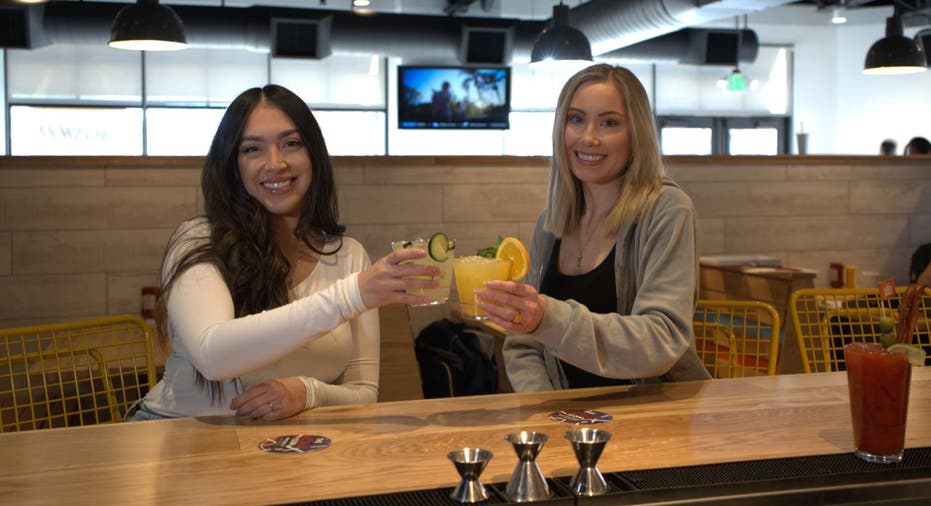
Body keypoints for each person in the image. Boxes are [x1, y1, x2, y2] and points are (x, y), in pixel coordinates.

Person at [131, 84, 438, 421]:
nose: (275, 163)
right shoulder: (198, 240)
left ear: (314, 156)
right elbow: (212, 356)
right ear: (232, 164)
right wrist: (352, 295)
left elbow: (364, 393)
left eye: (291, 144)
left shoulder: (348, 255)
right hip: (176, 433)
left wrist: (308, 391)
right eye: (252, 149)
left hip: (283, 447)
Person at [476, 64, 710, 391]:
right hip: (571, 422)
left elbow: (662, 339)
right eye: (576, 119)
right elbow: (522, 344)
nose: (588, 137)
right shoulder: (550, 224)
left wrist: (547, 317)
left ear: (636, 133)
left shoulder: (666, 210)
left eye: (609, 123)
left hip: (659, 417)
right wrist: (547, 410)